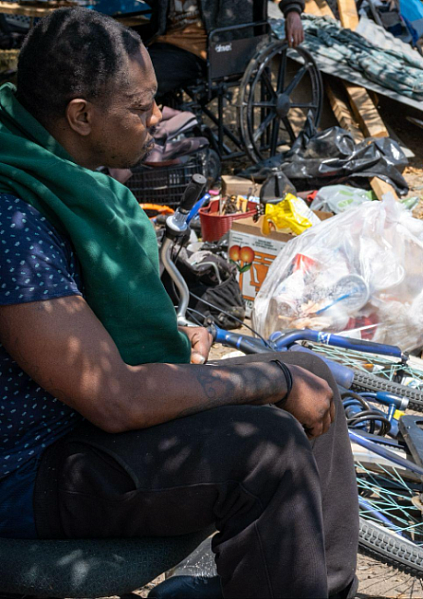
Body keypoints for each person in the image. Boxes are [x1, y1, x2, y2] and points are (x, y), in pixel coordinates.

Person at [0, 9, 357, 598]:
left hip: (79, 425)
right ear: (81, 116)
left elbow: (92, 336)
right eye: (141, 107)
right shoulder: (15, 221)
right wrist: (268, 379)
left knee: (313, 373)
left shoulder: (67, 176)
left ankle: (317, 587)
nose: (158, 117)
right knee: (267, 448)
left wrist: (173, 337)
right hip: (29, 469)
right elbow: (112, 398)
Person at [142, 0, 307, 98]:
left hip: (207, 48)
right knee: (122, 66)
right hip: (163, 40)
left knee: (140, 79)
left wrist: (293, 11)